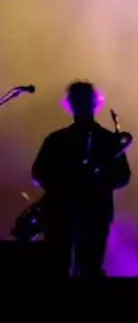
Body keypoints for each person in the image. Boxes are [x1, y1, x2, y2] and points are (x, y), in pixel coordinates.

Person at [31, 81, 131, 278]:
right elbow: (38, 173)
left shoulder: (105, 140)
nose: (81, 105)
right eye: (78, 100)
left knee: (86, 270)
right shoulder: (58, 139)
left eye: (84, 100)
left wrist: (99, 172)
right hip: (64, 213)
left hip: (92, 213)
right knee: (61, 269)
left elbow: (123, 177)